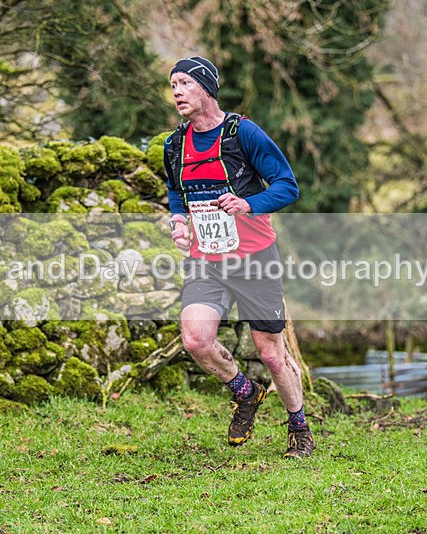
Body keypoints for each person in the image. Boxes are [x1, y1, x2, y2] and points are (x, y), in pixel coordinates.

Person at [163, 56, 315, 459]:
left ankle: (299, 427)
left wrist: (247, 204)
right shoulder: (174, 144)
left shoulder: (242, 133)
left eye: (185, 83)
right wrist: (178, 221)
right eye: (173, 85)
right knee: (196, 340)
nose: (177, 91)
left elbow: (287, 186)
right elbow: (176, 191)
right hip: (206, 260)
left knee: (271, 353)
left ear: (206, 88)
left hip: (254, 258)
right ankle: (245, 392)